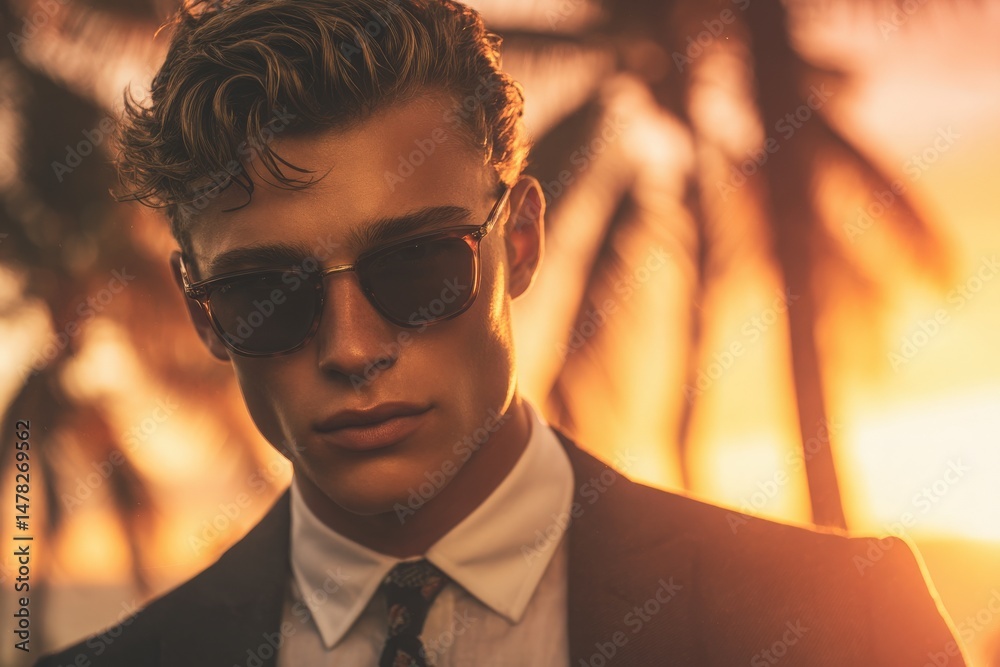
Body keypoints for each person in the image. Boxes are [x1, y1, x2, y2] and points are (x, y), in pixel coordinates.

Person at [37, 0, 968, 665]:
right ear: (203, 310)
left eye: (418, 267)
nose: (352, 348)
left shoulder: (842, 623)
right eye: (268, 295)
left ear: (519, 241)